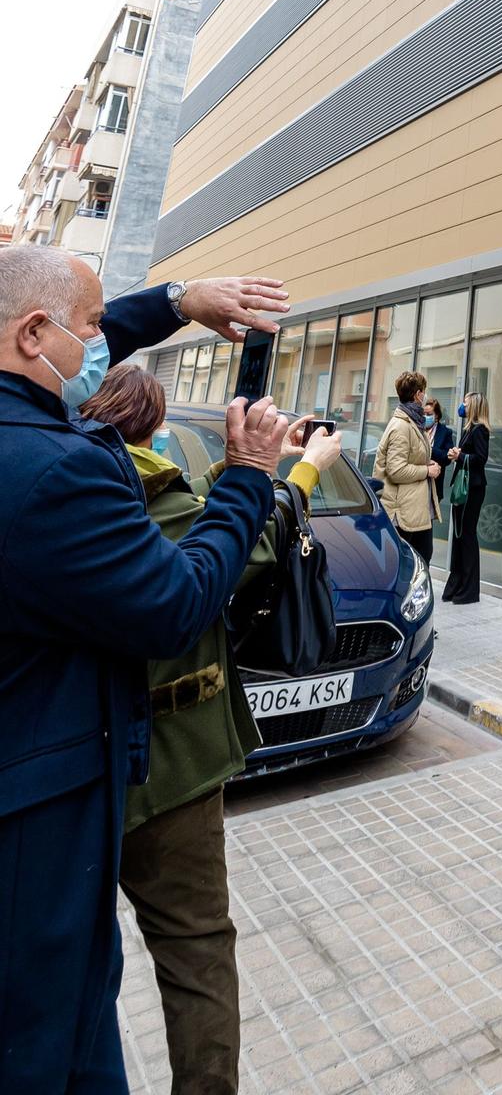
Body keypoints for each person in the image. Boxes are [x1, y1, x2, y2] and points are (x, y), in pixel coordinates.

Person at [0, 248, 293, 1095]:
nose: (99, 345)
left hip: (93, 777)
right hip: (58, 807)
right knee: (68, 1031)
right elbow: (177, 601)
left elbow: (58, 322)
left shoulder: (42, 428)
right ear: (32, 335)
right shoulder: (59, 472)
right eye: (90, 330)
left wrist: (177, 300)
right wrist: (250, 480)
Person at [85, 366, 341, 1095]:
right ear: (151, 429)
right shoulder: (158, 505)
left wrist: (252, 467)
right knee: (196, 951)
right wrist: (299, 471)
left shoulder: (63, 490)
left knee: (75, 953)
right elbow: (247, 542)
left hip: (65, 773)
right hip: (167, 771)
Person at [373, 369, 441, 563]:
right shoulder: (401, 426)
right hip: (403, 513)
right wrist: (427, 470)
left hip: (413, 511)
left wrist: (425, 462)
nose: (425, 396)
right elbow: (396, 470)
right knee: (410, 565)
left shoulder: (412, 422)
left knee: (420, 560)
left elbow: (408, 457)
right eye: (424, 392)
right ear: (418, 395)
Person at [441, 391, 490, 604]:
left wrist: (459, 455)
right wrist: (456, 454)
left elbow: (481, 458)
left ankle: (469, 590)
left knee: (467, 535)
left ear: (474, 407)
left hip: (472, 489)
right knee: (460, 536)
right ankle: (457, 584)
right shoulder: (469, 429)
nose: (462, 406)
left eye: (466, 403)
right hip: (464, 487)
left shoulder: (480, 430)